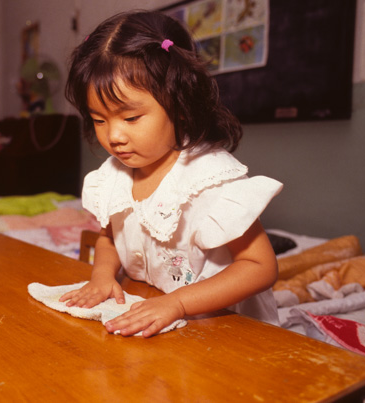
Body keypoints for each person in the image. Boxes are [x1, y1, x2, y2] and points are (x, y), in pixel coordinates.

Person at [59, 11, 283, 337]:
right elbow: (110, 235)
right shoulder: (116, 174)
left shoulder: (210, 180)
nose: (114, 136)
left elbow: (260, 268)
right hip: (163, 322)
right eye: (99, 119)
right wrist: (102, 276)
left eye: (131, 118)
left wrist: (177, 304)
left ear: (179, 104)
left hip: (227, 330)